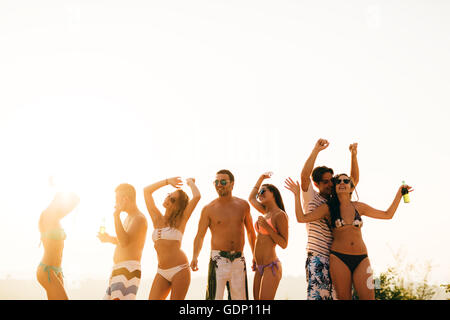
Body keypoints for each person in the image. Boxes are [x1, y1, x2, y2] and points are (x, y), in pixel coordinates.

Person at [286, 174, 413, 299]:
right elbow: (301, 218)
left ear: (351, 188)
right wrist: (297, 195)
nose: (342, 183)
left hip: (362, 258)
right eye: (338, 181)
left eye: (346, 181)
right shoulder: (328, 208)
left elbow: (387, 214)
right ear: (335, 187)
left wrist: (399, 195)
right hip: (339, 258)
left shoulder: (359, 206)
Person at [299, 139, 359, 300]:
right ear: (317, 184)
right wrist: (316, 150)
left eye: (331, 181)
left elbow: (353, 181)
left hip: (337, 258)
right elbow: (304, 176)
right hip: (317, 257)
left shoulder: (337, 201)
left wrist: (353, 155)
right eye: (325, 182)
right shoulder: (311, 198)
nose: (330, 185)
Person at [191, 169, 256, 300]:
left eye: (223, 181)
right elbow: (200, 236)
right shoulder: (208, 209)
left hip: (239, 260)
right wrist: (194, 257)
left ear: (232, 184)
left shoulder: (243, 205)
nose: (219, 185)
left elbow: (250, 232)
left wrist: (255, 254)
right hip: (218, 261)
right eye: (216, 182)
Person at [143, 177, 201, 300]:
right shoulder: (157, 218)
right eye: (169, 195)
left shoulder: (181, 220)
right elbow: (146, 191)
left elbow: (197, 197)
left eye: (172, 199)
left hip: (179, 270)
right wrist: (167, 181)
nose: (168, 199)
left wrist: (190, 183)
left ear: (178, 206)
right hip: (161, 271)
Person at [98, 183, 148, 300]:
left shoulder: (139, 218)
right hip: (120, 269)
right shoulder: (129, 217)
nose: (115, 203)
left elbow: (125, 241)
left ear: (125, 199)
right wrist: (109, 239)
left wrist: (116, 216)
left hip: (127, 269)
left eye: (117, 199)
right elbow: (125, 240)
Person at [248, 172, 288, 300]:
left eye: (263, 191)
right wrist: (260, 179)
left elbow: (284, 244)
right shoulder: (265, 212)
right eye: (259, 193)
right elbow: (251, 198)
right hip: (259, 267)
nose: (260, 194)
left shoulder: (279, 215)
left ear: (273, 193)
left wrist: (267, 228)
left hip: (271, 267)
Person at [36, 191, 80, 300]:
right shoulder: (46, 215)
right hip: (47, 270)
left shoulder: (57, 218)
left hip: (57, 270)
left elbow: (73, 203)